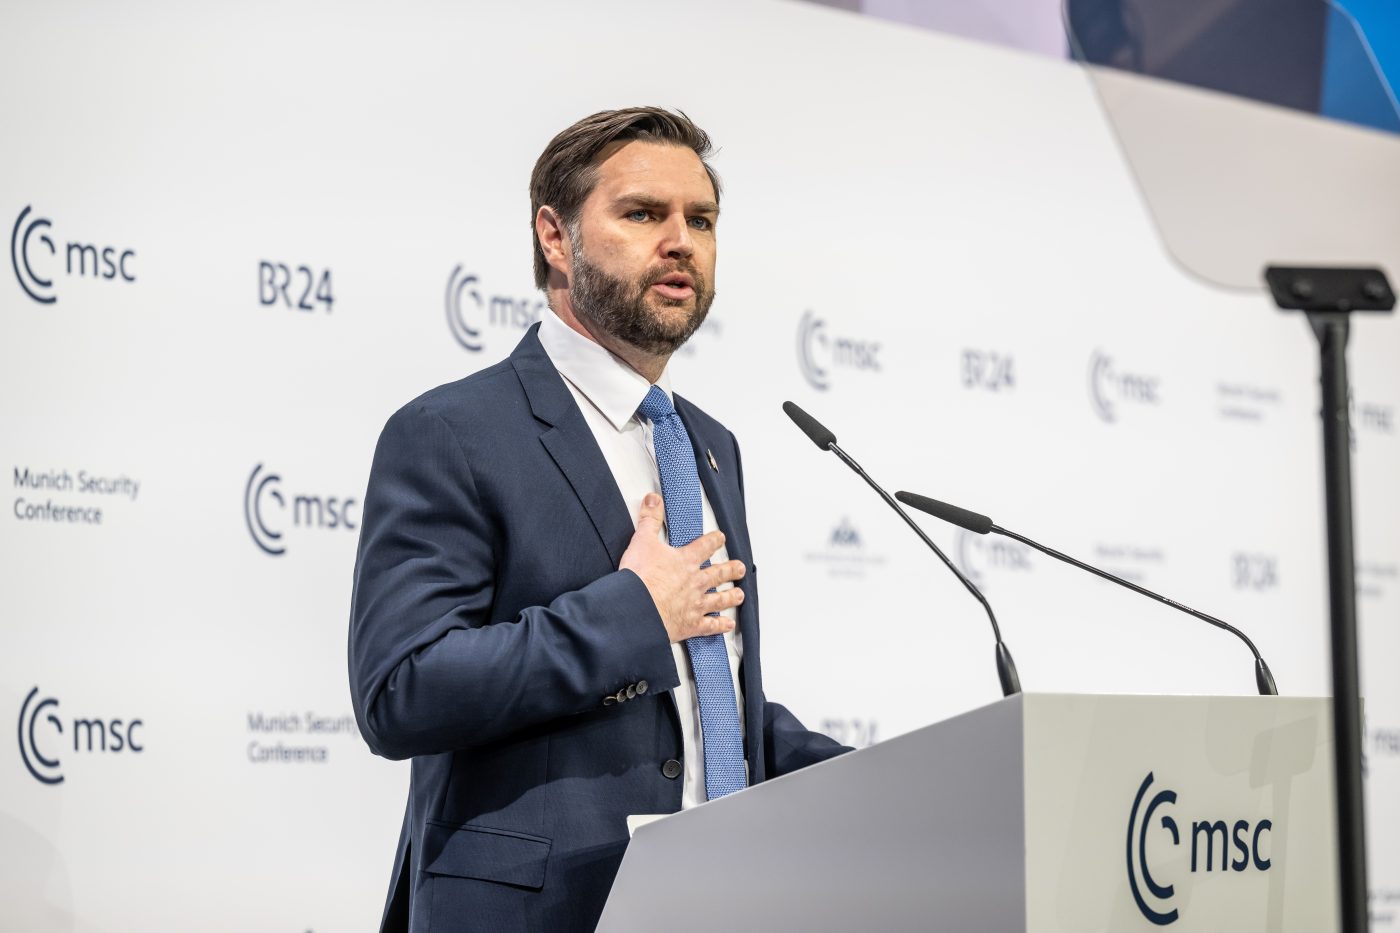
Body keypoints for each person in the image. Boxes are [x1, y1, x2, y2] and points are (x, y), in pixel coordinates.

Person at [348, 107, 848, 933]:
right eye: (643, 213)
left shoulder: (706, 444)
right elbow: (401, 690)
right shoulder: (453, 432)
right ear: (555, 236)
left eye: (702, 219)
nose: (681, 240)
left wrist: (890, 778)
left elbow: (704, 700)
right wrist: (633, 612)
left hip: (716, 902)